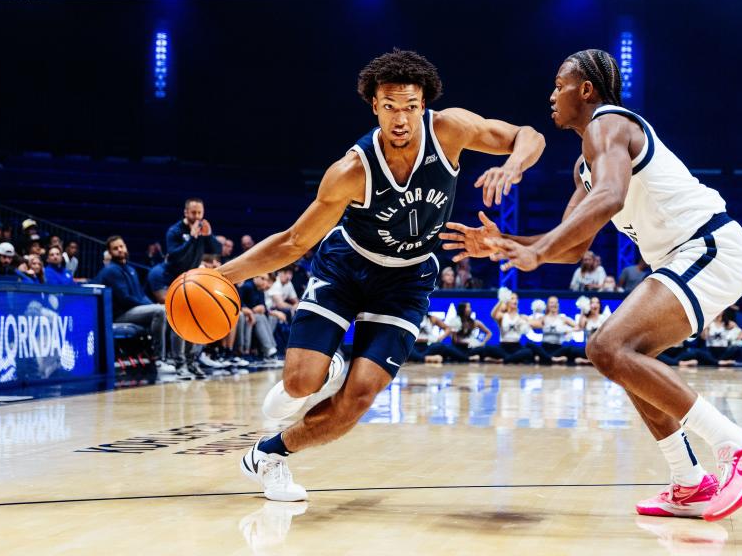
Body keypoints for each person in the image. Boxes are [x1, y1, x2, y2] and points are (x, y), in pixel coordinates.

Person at [441, 48, 742, 522]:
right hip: (685, 257)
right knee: (627, 359)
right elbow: (572, 246)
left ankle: (740, 446)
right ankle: (689, 482)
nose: (551, 93)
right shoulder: (586, 165)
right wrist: (503, 243)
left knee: (608, 346)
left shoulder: (609, 123)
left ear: (586, 90)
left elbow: (610, 196)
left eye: (560, 84)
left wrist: (535, 253)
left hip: (709, 246)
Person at [218, 48, 545, 501]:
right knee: (299, 383)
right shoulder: (351, 171)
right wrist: (223, 275)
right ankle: (326, 365)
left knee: (359, 399)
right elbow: (296, 241)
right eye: (390, 107)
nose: (401, 119)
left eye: (410, 107)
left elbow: (530, 135)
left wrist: (512, 164)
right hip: (347, 268)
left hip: (407, 280)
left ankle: (268, 455)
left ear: (423, 106)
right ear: (374, 105)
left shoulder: (449, 131)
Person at [95, 236, 192, 378]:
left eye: (121, 246)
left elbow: (140, 295)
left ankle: (180, 359)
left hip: (133, 310)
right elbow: (125, 299)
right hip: (120, 314)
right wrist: (154, 307)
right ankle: (159, 359)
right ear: (109, 252)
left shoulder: (130, 269)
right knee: (160, 311)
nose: (120, 250)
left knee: (170, 311)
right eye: (115, 248)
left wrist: (153, 305)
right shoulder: (111, 271)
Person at [165, 198, 220, 283]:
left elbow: (217, 250)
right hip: (173, 277)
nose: (197, 216)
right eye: (194, 212)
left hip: (192, 277)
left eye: (200, 212)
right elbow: (175, 256)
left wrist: (209, 236)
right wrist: (192, 238)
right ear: (186, 212)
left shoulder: (202, 229)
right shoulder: (174, 230)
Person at [486, 289, 535, 364]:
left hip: (516, 346)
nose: (515, 300)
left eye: (516, 299)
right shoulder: (503, 316)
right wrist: (501, 301)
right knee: (488, 348)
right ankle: (514, 359)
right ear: (507, 301)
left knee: (529, 352)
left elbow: (534, 324)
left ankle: (503, 360)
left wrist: (527, 323)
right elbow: (493, 315)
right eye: (512, 298)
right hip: (503, 346)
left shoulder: (522, 317)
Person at [526, 296, 577, 363]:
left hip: (558, 348)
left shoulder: (563, 319)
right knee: (529, 344)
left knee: (569, 348)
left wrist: (568, 330)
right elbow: (531, 324)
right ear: (547, 305)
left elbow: (578, 326)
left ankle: (544, 358)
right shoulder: (543, 318)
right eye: (552, 303)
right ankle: (552, 359)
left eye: (556, 302)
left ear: (558, 305)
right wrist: (535, 312)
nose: (554, 304)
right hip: (545, 347)